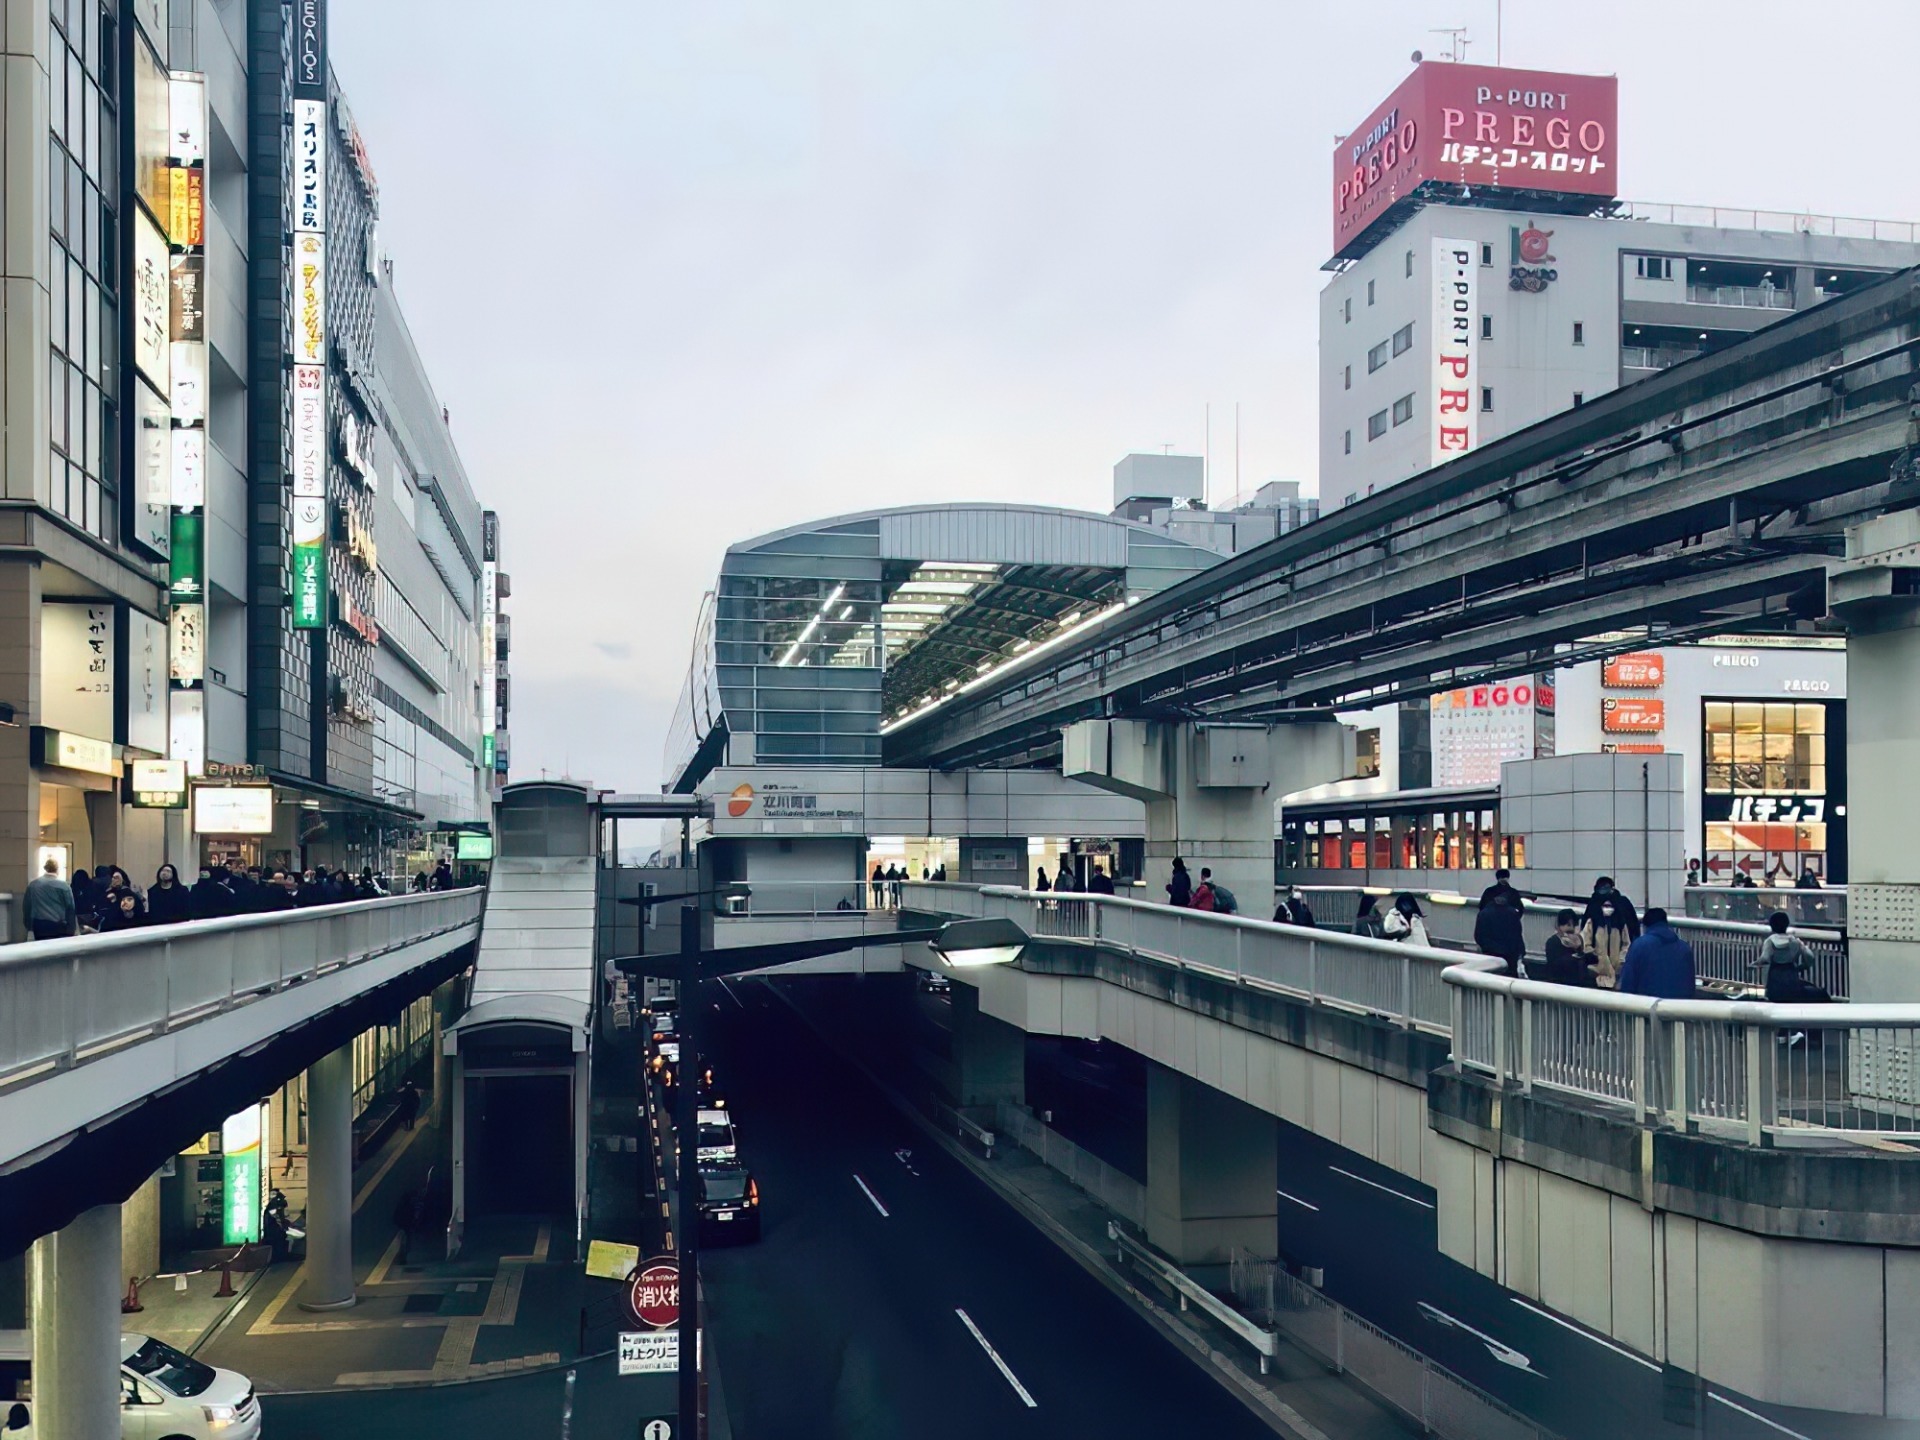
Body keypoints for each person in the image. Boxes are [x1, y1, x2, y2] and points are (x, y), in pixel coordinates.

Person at [1617, 908, 1696, 999]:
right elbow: (1690, 986)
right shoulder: (1685, 949)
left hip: (1646, 1008)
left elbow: (1627, 983)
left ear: (1645, 926)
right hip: (1680, 1008)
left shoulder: (1639, 946)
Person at [1756, 912, 1831, 1004]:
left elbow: (1765, 959)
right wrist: (1801, 967)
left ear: (1772, 926)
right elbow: (1810, 957)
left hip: (1775, 985)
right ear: (1787, 924)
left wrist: (1754, 965)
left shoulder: (1770, 941)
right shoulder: (1795, 941)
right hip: (1792, 981)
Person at [1581, 877, 1639, 986]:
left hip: (1618, 970)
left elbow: (1628, 940)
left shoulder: (1620, 916)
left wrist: (1622, 960)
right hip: (1597, 971)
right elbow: (1585, 940)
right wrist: (1593, 956)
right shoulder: (1593, 914)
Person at [1475, 868, 1528, 976]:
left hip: (1491, 947)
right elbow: (1520, 914)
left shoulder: (1488, 894)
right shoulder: (1513, 896)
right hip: (1509, 947)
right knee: (1510, 973)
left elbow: (1479, 934)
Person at [1532, 909, 1599, 987]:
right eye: (1568, 925)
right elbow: (1555, 965)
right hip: (1560, 982)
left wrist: (1581, 950)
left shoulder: (1578, 940)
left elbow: (1590, 959)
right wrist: (1576, 955)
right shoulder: (1553, 942)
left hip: (1579, 982)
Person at [24, 856, 77, 941]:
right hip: (58, 926)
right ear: (57, 869)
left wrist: (28, 925)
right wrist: (71, 929)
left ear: (45, 868)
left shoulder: (33, 885)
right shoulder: (63, 886)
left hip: (39, 925)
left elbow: (27, 906)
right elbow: (70, 908)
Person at [392, 1187, 420, 1266]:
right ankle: (403, 1257)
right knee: (407, 1243)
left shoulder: (401, 1206)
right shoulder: (410, 1207)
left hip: (401, 1227)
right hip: (408, 1227)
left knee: (402, 1243)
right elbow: (413, 1216)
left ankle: (401, 1257)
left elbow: (395, 1216)